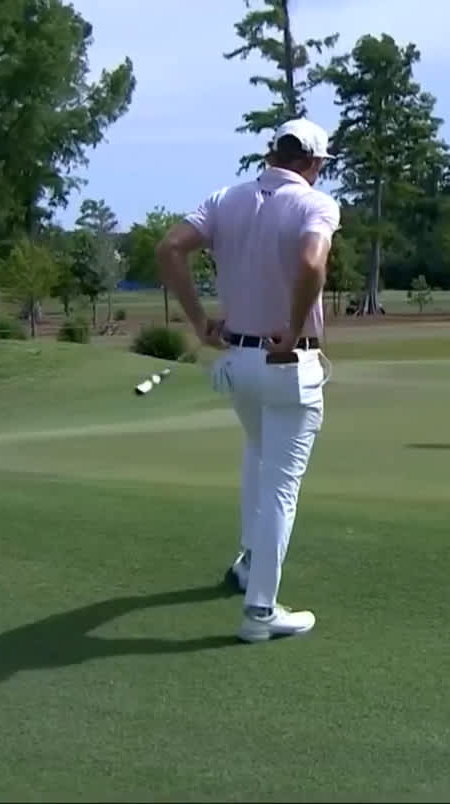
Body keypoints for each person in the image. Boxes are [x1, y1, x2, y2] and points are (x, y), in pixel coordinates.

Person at [155, 118, 341, 644]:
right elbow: (311, 263)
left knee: (258, 455)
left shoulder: (225, 198)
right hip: (288, 365)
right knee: (281, 484)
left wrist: (198, 321)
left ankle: (247, 563)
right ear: (313, 163)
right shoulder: (316, 204)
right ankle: (260, 611)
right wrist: (295, 324)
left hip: (237, 360)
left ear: (272, 152)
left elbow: (170, 248)